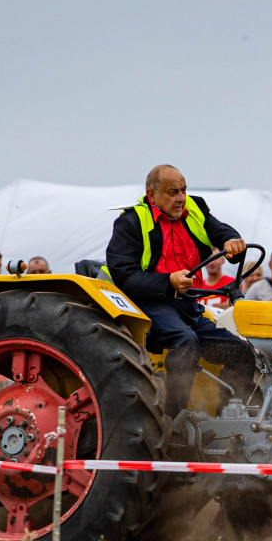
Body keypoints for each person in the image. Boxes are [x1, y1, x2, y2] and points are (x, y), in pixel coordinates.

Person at [105, 164, 255, 419]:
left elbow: (219, 230)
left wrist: (232, 239)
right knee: (186, 341)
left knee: (239, 349)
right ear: (151, 195)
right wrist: (167, 281)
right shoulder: (130, 222)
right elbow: (123, 274)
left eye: (183, 190)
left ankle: (225, 418)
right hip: (149, 304)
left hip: (188, 305)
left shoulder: (195, 208)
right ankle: (172, 418)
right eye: (173, 192)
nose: (181, 198)